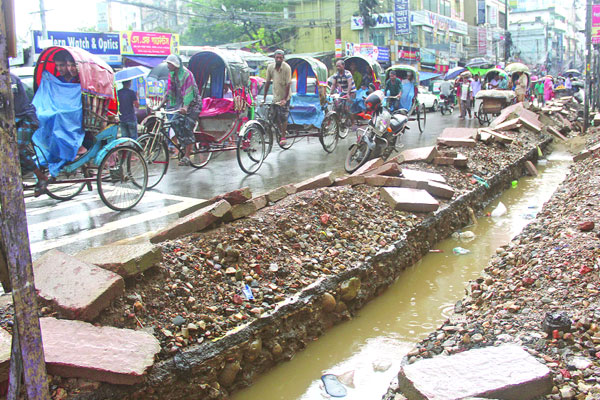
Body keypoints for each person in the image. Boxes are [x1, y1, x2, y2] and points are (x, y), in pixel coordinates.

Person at [12, 73, 47, 196]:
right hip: (11, 121)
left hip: (25, 118)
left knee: (18, 147)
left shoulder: (10, 79)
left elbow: (9, 104)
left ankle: (41, 176)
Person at [165, 54, 202, 166]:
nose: (168, 65)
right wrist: (160, 104)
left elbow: (189, 92)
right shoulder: (172, 75)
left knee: (187, 127)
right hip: (181, 105)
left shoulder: (186, 74)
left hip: (193, 105)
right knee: (174, 122)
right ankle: (185, 144)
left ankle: (187, 155)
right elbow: (170, 91)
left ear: (175, 65)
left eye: (170, 64)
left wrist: (186, 107)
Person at [263, 50, 292, 146]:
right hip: (276, 96)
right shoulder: (270, 67)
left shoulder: (287, 68)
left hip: (285, 96)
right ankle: (281, 131)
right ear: (274, 58)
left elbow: (288, 84)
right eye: (277, 57)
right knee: (275, 117)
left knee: (283, 116)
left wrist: (285, 99)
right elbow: (267, 82)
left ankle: (283, 136)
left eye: (281, 58)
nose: (279, 59)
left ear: (283, 58)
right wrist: (264, 97)